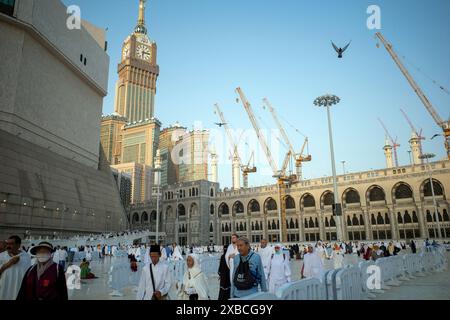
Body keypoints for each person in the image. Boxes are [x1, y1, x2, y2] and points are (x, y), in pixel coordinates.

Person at [0, 235, 32, 300]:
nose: (8, 246)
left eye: (11, 244)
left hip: (19, 291)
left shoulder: (26, 257)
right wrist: (9, 263)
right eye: (7, 244)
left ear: (18, 245)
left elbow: (28, 275)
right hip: (4, 291)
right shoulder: (1, 256)